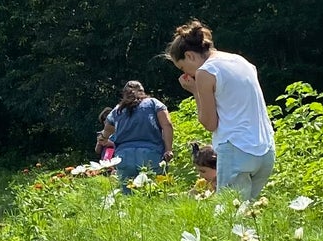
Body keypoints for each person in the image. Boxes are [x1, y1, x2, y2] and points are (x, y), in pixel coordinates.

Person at [166, 19, 275, 200]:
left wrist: (194, 91)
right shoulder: (242, 61)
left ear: (190, 55)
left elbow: (209, 123)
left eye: (183, 67)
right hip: (266, 149)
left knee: (230, 217)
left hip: (236, 149)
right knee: (250, 215)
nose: (187, 74)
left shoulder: (206, 71)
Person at [100, 81, 174, 188]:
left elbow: (106, 132)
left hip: (124, 157)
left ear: (124, 94)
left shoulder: (116, 111)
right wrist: (168, 149)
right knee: (155, 193)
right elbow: (167, 125)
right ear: (142, 92)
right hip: (151, 155)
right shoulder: (153, 103)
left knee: (128, 197)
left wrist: (103, 138)